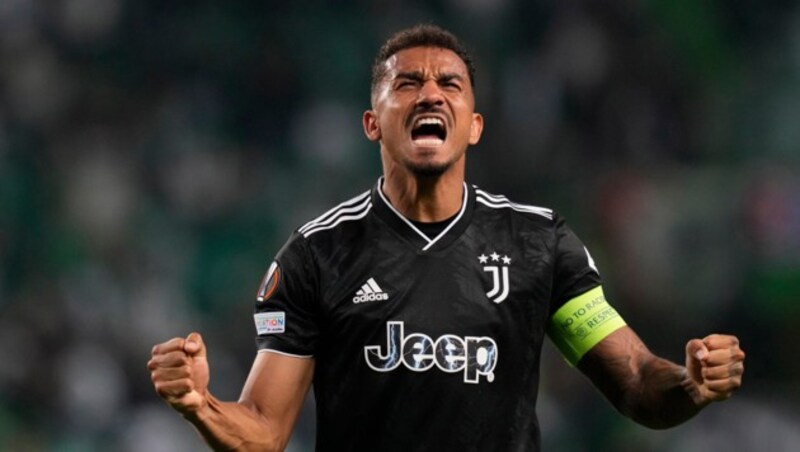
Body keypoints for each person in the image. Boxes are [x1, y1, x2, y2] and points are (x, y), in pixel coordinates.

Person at [148, 24, 745, 451]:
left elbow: (637, 382)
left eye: (450, 85)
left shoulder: (538, 242)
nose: (430, 93)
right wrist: (201, 406)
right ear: (372, 122)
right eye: (406, 83)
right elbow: (264, 430)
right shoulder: (317, 254)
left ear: (475, 126)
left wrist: (690, 384)